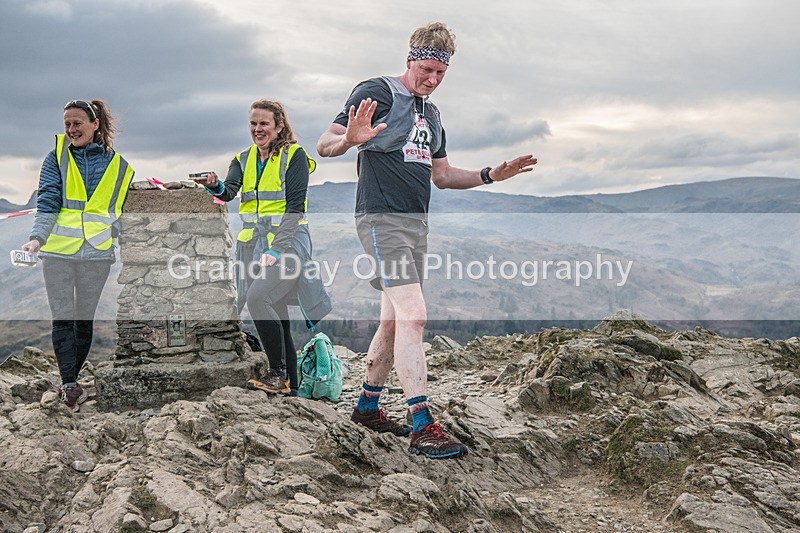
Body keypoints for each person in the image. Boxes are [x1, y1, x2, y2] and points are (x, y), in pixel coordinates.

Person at [317, 22, 537, 459]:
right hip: (382, 221)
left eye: (441, 74)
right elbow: (324, 144)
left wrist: (492, 175)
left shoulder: (432, 115)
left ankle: (367, 407)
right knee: (415, 316)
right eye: (427, 70)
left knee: (395, 321)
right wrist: (350, 139)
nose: (432, 80)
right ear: (410, 60)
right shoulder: (377, 91)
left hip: (416, 225)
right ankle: (422, 424)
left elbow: (442, 176)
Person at [197, 99, 321, 397]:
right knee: (277, 312)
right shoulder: (243, 159)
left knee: (257, 298)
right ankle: (291, 386)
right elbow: (228, 192)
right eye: (253, 123)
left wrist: (276, 250)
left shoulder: (295, 156)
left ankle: (277, 374)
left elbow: (294, 210)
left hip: (288, 245)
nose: (257, 129)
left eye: (264, 123)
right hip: (253, 246)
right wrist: (214, 185)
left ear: (279, 126)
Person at [22, 99, 134, 412]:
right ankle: (69, 384)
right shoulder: (55, 157)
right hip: (57, 251)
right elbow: (48, 201)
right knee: (63, 318)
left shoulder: (119, 166)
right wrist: (36, 238)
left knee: (83, 322)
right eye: (67, 124)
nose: (71, 130)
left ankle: (71, 379)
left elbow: (122, 213)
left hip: (96, 254)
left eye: (77, 124)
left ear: (95, 124)